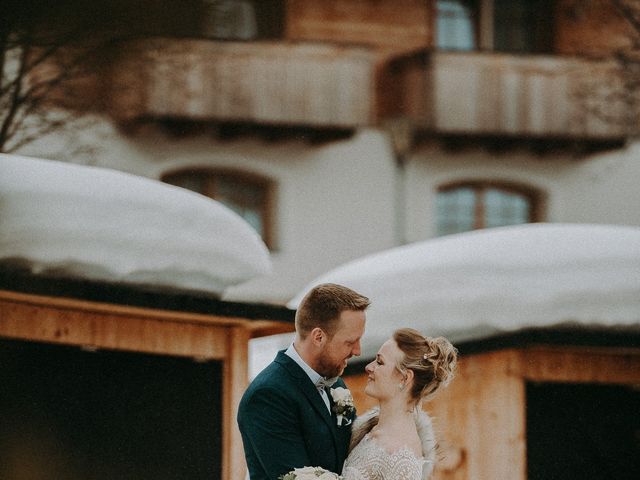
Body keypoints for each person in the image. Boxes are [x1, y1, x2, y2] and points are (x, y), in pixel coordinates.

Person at [237, 283, 370, 480]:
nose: (358, 351)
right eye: (350, 342)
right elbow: (294, 476)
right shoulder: (268, 395)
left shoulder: (337, 386)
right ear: (318, 337)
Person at [342, 328, 457, 480]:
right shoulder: (372, 430)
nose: (368, 367)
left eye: (379, 362)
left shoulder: (402, 458)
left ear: (405, 378)